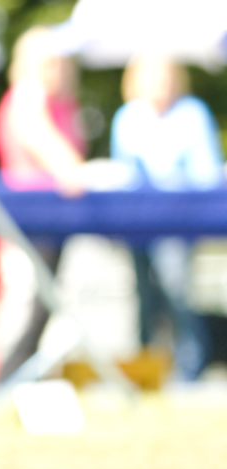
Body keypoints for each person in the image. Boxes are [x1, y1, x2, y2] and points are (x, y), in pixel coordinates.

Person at [111, 55, 225, 381]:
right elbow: (125, 173)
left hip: (179, 221)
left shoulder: (193, 115)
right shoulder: (129, 117)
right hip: (138, 223)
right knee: (144, 296)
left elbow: (206, 173)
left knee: (177, 293)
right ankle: (147, 367)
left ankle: (190, 366)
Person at [0, 26, 88, 384]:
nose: (56, 70)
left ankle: (18, 383)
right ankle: (3, 383)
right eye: (48, 62)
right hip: (28, 218)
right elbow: (65, 165)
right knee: (28, 305)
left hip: (51, 220)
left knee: (41, 308)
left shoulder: (59, 103)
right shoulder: (28, 98)